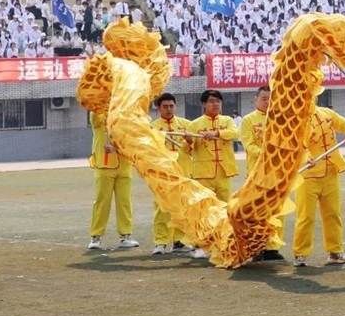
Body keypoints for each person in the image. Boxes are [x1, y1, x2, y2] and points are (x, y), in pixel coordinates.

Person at [293, 105, 345, 267]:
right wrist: (305, 157)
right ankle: (300, 253)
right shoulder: (295, 119)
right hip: (308, 176)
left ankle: (335, 252)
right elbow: (295, 144)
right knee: (306, 216)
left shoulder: (326, 113)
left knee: (333, 214)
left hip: (330, 172)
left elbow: (344, 122)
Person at [187, 89, 240, 259]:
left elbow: (234, 134)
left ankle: (224, 243)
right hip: (203, 173)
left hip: (223, 172)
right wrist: (188, 140)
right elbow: (187, 149)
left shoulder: (227, 121)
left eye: (218, 101)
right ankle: (202, 245)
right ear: (203, 104)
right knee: (205, 211)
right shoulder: (194, 125)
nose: (215, 104)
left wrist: (216, 133)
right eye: (211, 101)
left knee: (224, 209)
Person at [239, 86, 286, 261]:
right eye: (264, 98)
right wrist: (267, 153)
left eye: (270, 98)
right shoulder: (248, 120)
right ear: (255, 99)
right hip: (257, 174)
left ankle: (273, 247)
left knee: (277, 210)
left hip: (278, 173)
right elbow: (249, 145)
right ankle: (256, 247)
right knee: (257, 212)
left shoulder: (280, 119)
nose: (268, 102)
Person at [86, 110, 139, 251]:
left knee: (124, 202)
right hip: (104, 167)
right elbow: (94, 112)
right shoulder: (98, 117)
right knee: (102, 201)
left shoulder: (125, 118)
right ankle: (95, 237)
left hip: (124, 165)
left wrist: (117, 148)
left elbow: (131, 142)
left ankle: (126, 235)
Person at [149, 93, 192, 255]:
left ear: (175, 106)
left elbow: (192, 149)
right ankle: (160, 242)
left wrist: (189, 140)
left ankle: (179, 241)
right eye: (165, 106)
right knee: (162, 208)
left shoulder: (186, 125)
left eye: (171, 106)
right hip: (162, 174)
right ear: (159, 108)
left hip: (182, 172)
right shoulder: (152, 128)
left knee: (182, 208)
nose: (168, 109)